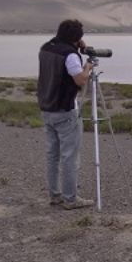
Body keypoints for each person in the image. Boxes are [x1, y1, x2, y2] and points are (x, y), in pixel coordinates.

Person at [37, 19, 95, 209]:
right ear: (77, 38)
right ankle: (71, 199)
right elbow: (79, 80)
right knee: (69, 157)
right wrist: (88, 66)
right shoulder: (70, 55)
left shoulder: (46, 47)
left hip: (47, 107)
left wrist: (77, 46)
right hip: (65, 110)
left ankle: (55, 195)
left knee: (52, 155)